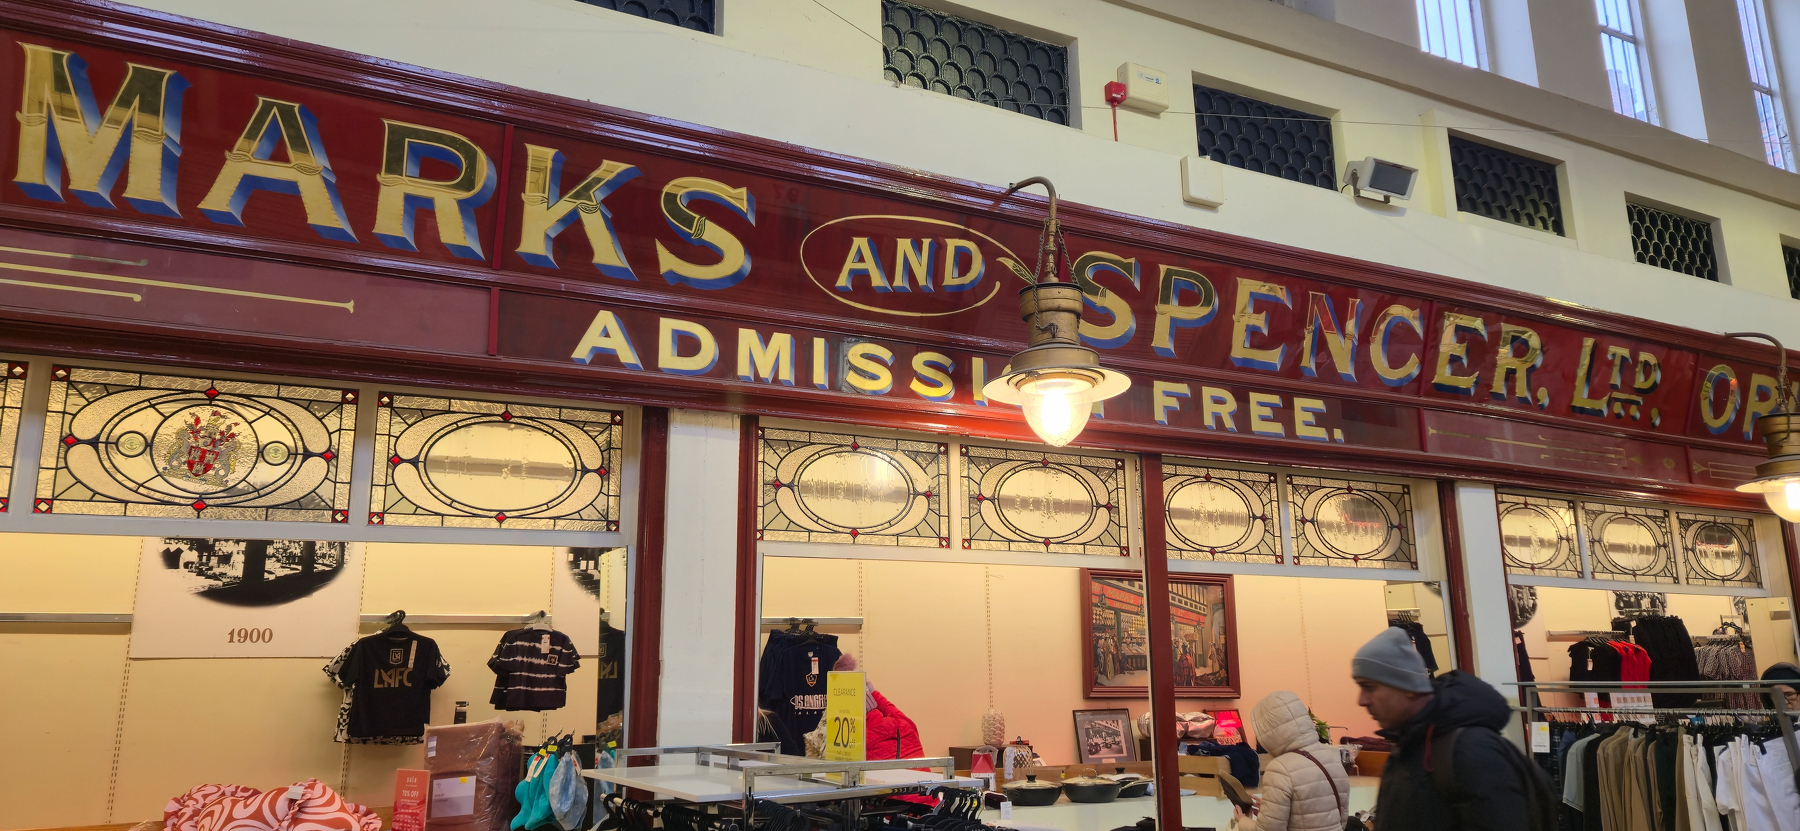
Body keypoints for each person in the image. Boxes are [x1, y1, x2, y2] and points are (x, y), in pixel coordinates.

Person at [1352, 627, 1552, 830]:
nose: (1361, 700)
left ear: (1406, 687)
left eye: (1369, 687)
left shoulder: (1471, 752)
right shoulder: (1408, 746)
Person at [1230, 690, 1349, 831]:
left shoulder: (1280, 769)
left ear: (1269, 731)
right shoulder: (1333, 758)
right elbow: (1341, 819)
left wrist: (1242, 821)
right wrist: (1272, 813)